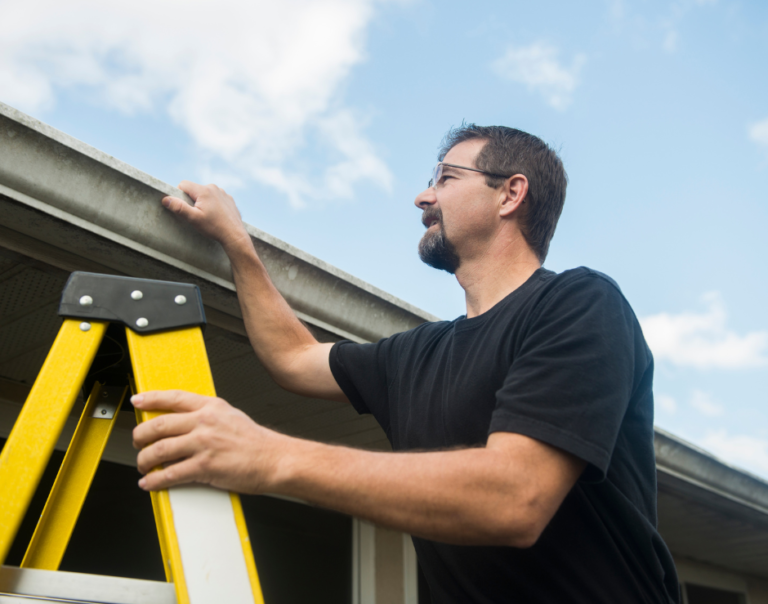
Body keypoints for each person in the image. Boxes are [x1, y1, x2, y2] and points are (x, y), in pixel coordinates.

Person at [131, 125, 679, 603]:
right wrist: (237, 244)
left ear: (511, 193)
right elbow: (294, 358)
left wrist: (267, 456)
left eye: (445, 178)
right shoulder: (417, 354)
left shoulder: (580, 303)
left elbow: (516, 495)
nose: (422, 196)